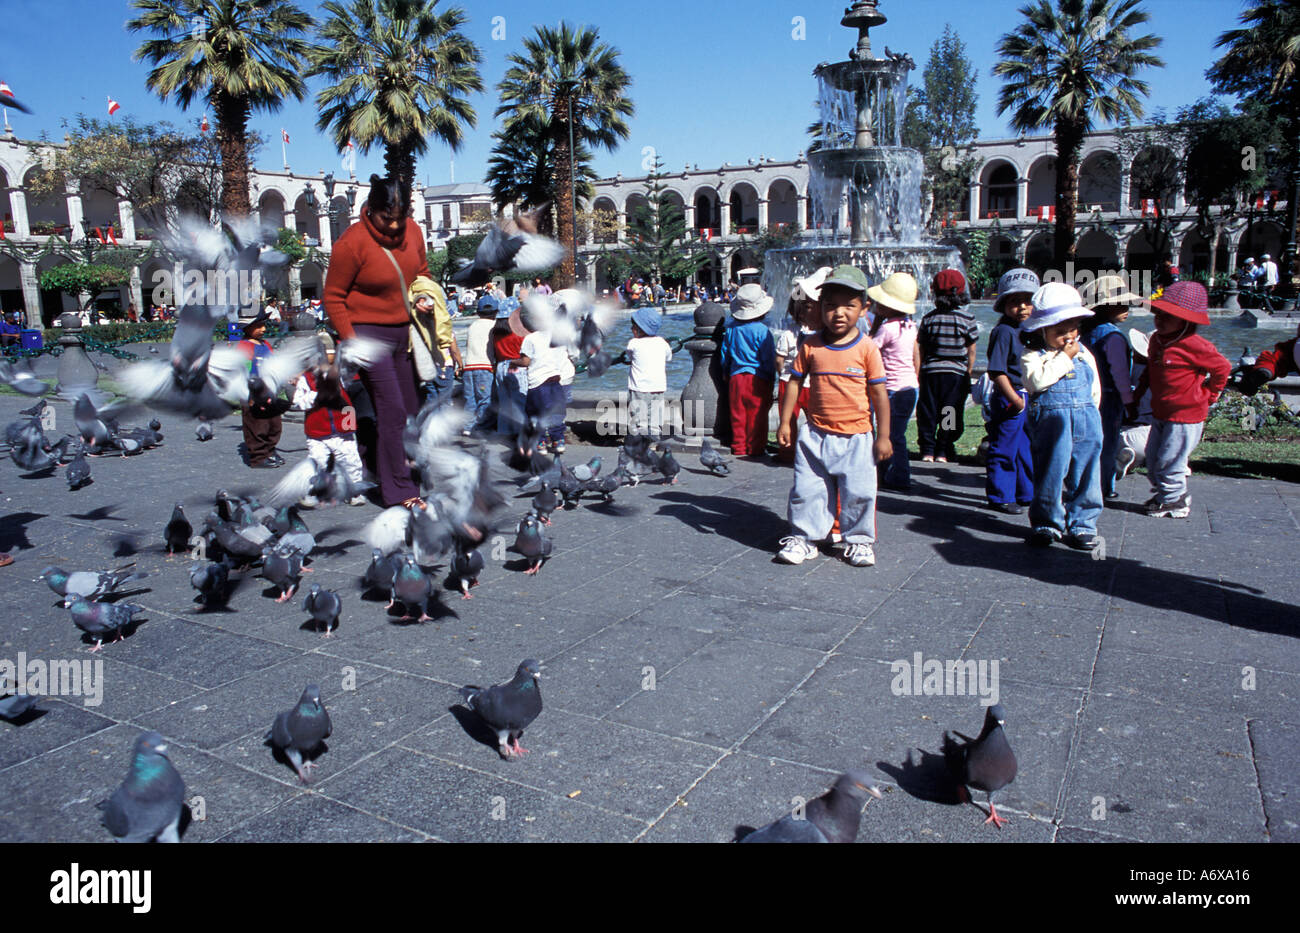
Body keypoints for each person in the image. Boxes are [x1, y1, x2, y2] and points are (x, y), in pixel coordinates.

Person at [323, 174, 428, 510]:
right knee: (393, 410)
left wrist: (424, 294)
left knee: (411, 410)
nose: (395, 225)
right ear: (371, 209)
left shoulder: (413, 230)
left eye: (401, 215)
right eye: (387, 217)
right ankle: (399, 491)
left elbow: (422, 272)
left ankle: (376, 466)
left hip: (404, 333)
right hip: (368, 334)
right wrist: (352, 343)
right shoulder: (351, 243)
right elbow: (333, 297)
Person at [776, 264, 891, 568]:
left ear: (864, 308)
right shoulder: (810, 345)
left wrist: (884, 436)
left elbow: (880, 394)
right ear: (819, 307)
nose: (839, 313)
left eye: (848, 306)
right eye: (830, 305)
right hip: (814, 434)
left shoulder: (867, 349)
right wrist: (786, 421)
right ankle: (804, 537)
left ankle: (859, 541)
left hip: (857, 437)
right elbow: (794, 383)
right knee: (807, 489)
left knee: (859, 492)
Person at [1132, 281, 1230, 519]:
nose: (1160, 320)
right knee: (1153, 457)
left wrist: (1211, 393)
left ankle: (1175, 499)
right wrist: (1137, 393)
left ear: (1186, 320)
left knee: (1171, 458)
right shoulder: (1156, 340)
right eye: (1158, 314)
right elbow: (1150, 370)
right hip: (1161, 411)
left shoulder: (1195, 345)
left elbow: (1222, 368)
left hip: (1186, 415)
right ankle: (1166, 494)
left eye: (1168, 316)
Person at [1020, 282, 1103, 549]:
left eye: (1073, 330)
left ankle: (1083, 523)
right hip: (1052, 422)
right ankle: (1048, 522)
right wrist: (1064, 358)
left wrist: (1093, 412)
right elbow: (1036, 383)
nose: (1068, 338)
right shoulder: (1033, 356)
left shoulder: (1083, 353)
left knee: (1086, 471)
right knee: (1051, 471)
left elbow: (1094, 385)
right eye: (1059, 332)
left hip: (1085, 418)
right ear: (1041, 330)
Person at [1081, 275, 1141, 500]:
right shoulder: (1113, 337)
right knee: (1108, 443)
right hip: (1109, 399)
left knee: (1089, 441)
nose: (1127, 309)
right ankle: (1105, 485)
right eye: (1121, 304)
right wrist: (1129, 402)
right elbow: (1121, 376)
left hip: (1089, 395)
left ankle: (1084, 481)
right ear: (1105, 307)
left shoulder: (1086, 333)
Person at [984, 268, 1039, 514]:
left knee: (1025, 447)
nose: (1022, 307)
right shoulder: (1004, 332)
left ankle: (1026, 491)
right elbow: (997, 371)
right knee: (1004, 447)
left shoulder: (1029, 331)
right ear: (1004, 305)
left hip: (1026, 395)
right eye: (1015, 302)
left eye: (1027, 301)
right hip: (1011, 396)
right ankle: (1000, 495)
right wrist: (1014, 399)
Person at [291, 333, 367, 506]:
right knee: (318, 462)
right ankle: (314, 491)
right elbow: (297, 402)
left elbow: (353, 371)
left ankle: (354, 491)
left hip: (343, 427)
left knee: (351, 461)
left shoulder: (340, 374)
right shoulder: (306, 380)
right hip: (318, 431)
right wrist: (315, 397)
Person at [916, 269, 978, 463]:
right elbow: (972, 351)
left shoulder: (928, 319)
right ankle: (943, 449)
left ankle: (927, 449)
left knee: (928, 410)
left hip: (931, 372)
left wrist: (919, 371)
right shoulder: (967, 319)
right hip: (956, 375)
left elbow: (921, 348)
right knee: (949, 411)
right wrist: (967, 371)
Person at [866, 272, 920, 492]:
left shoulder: (887, 328)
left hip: (892, 390)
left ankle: (898, 475)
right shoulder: (910, 326)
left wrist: (876, 322)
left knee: (889, 434)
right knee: (896, 433)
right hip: (909, 388)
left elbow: (868, 349)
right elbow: (916, 356)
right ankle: (888, 472)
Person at [775, 268, 830, 464]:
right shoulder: (813, 338)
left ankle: (787, 452)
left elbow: (779, 360)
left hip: (790, 381)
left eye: (809, 306)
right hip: (809, 385)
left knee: (790, 418)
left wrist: (781, 372)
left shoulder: (791, 333)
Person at [720, 283, 777, 457]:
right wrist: (771, 377)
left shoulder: (732, 329)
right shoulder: (763, 331)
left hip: (736, 377)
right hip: (758, 378)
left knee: (737, 414)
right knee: (757, 415)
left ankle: (738, 446)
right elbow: (768, 358)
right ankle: (755, 448)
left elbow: (725, 354)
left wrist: (725, 372)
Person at [513, 302, 568, 454]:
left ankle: (541, 442)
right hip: (556, 380)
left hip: (538, 383)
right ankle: (558, 441)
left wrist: (512, 361)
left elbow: (525, 362)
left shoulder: (530, 339)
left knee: (536, 413)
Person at [235, 311, 286, 469]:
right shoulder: (244, 346)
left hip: (269, 391)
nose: (263, 329)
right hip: (253, 393)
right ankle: (258, 456)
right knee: (257, 425)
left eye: (264, 325)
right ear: (247, 328)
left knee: (274, 424)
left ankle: (270, 450)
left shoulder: (265, 345)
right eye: (258, 326)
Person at [408, 276, 462, 409]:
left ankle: (431, 424)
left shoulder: (420, 329)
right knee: (444, 399)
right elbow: (453, 348)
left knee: (432, 399)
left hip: (427, 367)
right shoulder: (443, 329)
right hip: (444, 365)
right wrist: (460, 364)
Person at [625, 306, 673, 439]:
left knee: (639, 418)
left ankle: (638, 440)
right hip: (658, 387)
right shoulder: (662, 343)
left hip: (639, 388)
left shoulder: (633, 343)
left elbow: (629, 356)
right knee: (655, 416)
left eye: (633, 326)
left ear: (640, 330)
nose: (631, 329)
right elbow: (669, 357)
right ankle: (654, 437)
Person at [1116, 329, 1153, 478]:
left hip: (1130, 432)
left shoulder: (1127, 370)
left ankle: (1120, 459)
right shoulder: (1165, 373)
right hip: (1157, 432)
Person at [461, 294, 499, 435]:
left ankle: (467, 426)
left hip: (469, 367)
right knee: (485, 399)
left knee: (470, 399)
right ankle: (481, 426)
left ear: (478, 312)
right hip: (485, 368)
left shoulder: (473, 326)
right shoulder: (494, 326)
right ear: (496, 312)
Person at [492, 297, 528, 436]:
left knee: (504, 404)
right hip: (516, 367)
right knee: (520, 402)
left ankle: (504, 433)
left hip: (501, 367)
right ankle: (521, 433)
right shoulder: (520, 331)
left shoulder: (495, 332)